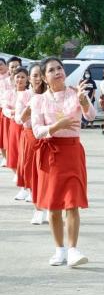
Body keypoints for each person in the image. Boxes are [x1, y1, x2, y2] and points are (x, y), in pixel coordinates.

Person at [31, 57, 95, 267]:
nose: (57, 72)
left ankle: (73, 249)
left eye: (59, 68)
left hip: (73, 152)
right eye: (51, 70)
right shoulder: (39, 100)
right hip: (51, 154)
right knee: (54, 205)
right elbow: (37, 131)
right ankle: (60, 250)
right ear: (44, 78)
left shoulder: (75, 93)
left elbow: (91, 116)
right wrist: (58, 126)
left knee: (72, 202)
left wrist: (83, 101)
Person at [15, 63, 48, 224]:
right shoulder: (24, 96)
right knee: (32, 174)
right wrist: (27, 111)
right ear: (29, 78)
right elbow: (18, 119)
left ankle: (48, 207)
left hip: (48, 138)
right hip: (30, 138)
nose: (38, 78)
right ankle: (38, 209)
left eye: (40, 75)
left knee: (46, 174)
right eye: (34, 75)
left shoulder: (50, 94)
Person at [2, 67, 28, 190]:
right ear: (13, 78)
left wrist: (18, 112)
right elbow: (5, 109)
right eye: (18, 77)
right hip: (13, 126)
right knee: (12, 157)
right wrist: (16, 112)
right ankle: (21, 182)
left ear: (27, 79)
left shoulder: (30, 94)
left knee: (25, 156)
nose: (20, 79)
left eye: (23, 77)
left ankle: (27, 186)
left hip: (26, 126)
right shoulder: (9, 93)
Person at [0, 56, 22, 166]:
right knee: (4, 137)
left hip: (21, 114)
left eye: (17, 66)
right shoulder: (3, 82)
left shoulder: (25, 79)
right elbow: (3, 99)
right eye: (12, 67)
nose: (14, 69)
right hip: (8, 112)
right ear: (8, 68)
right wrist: (11, 111)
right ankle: (6, 158)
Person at [0, 58, 9, 165]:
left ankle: (9, 156)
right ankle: (4, 157)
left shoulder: (11, 78)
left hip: (8, 109)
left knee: (6, 134)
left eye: (1, 64)